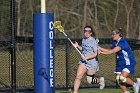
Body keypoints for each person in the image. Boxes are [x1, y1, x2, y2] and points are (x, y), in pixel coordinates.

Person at [99, 28, 140, 93]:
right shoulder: (115, 42)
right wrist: (99, 48)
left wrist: (101, 52)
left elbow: (112, 51)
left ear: (118, 34)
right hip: (120, 63)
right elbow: (109, 50)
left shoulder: (122, 42)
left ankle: (135, 84)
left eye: (113, 34)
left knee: (122, 78)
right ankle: (126, 92)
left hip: (128, 63)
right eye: (112, 34)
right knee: (118, 79)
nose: (112, 35)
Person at [72, 26, 105, 93]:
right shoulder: (83, 40)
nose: (86, 33)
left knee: (90, 81)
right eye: (85, 31)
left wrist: (87, 57)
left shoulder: (93, 41)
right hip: (83, 62)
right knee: (78, 77)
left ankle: (100, 80)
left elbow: (96, 53)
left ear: (91, 33)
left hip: (92, 63)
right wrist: (77, 46)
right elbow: (83, 49)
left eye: (88, 31)